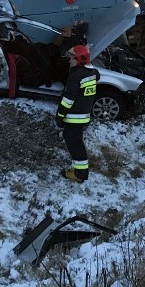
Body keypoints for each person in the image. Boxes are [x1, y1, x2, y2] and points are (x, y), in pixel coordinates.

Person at [55, 44, 100, 183]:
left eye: (72, 58)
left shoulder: (75, 77)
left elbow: (67, 101)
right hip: (83, 116)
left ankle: (80, 174)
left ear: (79, 60)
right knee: (76, 142)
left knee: (74, 144)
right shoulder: (92, 74)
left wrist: (59, 117)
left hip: (74, 117)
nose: (69, 61)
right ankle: (80, 171)